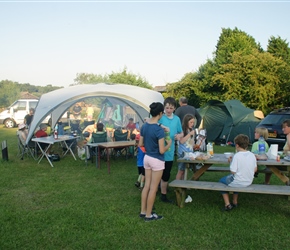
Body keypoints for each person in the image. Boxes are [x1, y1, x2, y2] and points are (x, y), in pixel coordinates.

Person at [139, 102, 172, 222]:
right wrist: (169, 144)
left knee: (146, 186)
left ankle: (143, 211)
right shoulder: (159, 130)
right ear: (160, 113)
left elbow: (140, 144)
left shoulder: (144, 126)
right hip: (157, 160)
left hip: (146, 158)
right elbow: (162, 150)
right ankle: (149, 215)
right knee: (153, 188)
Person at [219, 134, 257, 211]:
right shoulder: (252, 155)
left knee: (221, 182)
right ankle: (235, 201)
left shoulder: (237, 156)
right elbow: (255, 169)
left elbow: (233, 171)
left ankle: (227, 204)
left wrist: (231, 161)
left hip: (238, 181)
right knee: (236, 178)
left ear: (237, 145)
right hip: (248, 181)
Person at [158, 97, 183, 203]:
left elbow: (181, 132)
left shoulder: (177, 119)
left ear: (174, 108)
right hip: (159, 149)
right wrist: (162, 126)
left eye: (171, 108)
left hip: (170, 150)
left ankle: (163, 194)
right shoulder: (161, 117)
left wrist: (179, 136)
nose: (168, 110)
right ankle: (159, 189)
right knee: (158, 171)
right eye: (167, 108)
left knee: (166, 173)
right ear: (164, 108)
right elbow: (150, 122)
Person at [176, 114, 196, 180]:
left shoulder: (191, 130)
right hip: (182, 152)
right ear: (186, 121)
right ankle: (177, 184)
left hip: (189, 153)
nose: (192, 124)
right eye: (191, 122)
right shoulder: (182, 130)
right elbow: (181, 141)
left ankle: (182, 184)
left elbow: (191, 142)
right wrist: (189, 134)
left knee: (184, 170)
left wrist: (195, 145)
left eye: (193, 122)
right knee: (181, 170)